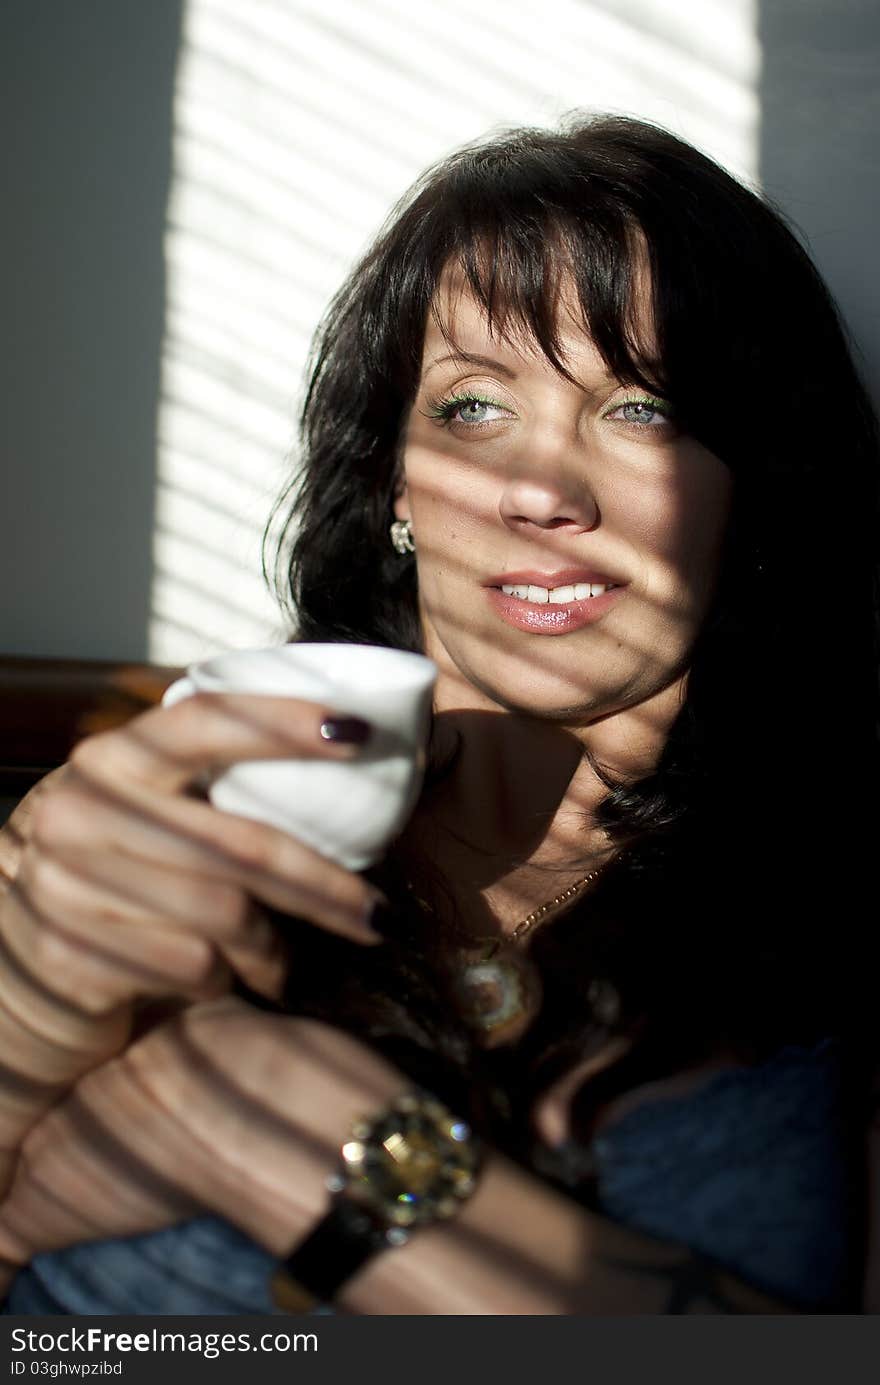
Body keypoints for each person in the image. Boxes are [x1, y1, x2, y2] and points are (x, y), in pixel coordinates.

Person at [0, 113, 877, 1315]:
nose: (542, 490)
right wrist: (30, 1014)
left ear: (752, 487)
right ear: (395, 481)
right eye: (473, 407)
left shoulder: (840, 880)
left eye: (642, 409)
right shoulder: (166, 825)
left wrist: (288, 1131)